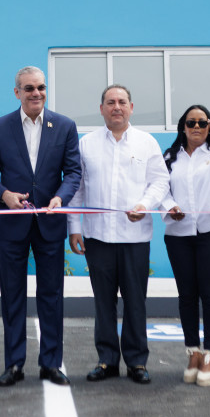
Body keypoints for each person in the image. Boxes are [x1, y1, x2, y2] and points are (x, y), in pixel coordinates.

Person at [0, 65, 82, 388]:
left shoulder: (64, 126)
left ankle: (51, 363)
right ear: (17, 92)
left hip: (50, 223)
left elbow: (73, 172)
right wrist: (4, 195)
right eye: (29, 88)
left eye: (41, 87)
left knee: (52, 295)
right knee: (13, 296)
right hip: (13, 224)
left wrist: (61, 198)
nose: (36, 93)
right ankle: (14, 364)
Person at [68, 85, 169, 385]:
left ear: (131, 107)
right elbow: (77, 189)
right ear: (101, 109)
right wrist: (74, 227)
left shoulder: (146, 143)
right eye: (110, 102)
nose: (116, 107)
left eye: (122, 102)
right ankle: (107, 360)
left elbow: (160, 182)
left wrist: (145, 205)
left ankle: (137, 361)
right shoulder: (86, 144)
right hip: (97, 237)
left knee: (136, 302)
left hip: (135, 237)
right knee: (104, 302)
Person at [162, 104, 210, 386]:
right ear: (183, 126)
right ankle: (193, 351)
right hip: (179, 233)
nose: (197, 127)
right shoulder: (170, 157)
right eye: (191, 122)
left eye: (203, 123)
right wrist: (169, 206)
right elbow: (161, 189)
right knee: (186, 295)